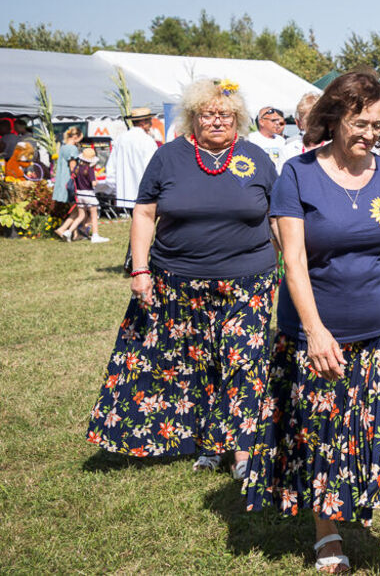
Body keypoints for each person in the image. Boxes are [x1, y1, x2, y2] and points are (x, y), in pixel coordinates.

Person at [243, 73, 380, 576]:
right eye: (361, 123)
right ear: (334, 118)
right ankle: (328, 533)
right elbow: (292, 260)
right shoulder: (297, 174)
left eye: (378, 124)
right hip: (320, 335)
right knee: (325, 433)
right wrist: (314, 330)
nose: (371, 134)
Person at [86, 79, 278, 479]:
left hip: (249, 281)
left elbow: (277, 219)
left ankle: (243, 451)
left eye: (225, 114)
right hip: (179, 281)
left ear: (238, 118)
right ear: (193, 117)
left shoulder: (257, 157)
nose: (217, 121)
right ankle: (208, 444)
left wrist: (294, 267)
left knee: (244, 361)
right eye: (207, 114)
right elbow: (143, 213)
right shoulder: (168, 157)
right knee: (197, 364)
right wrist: (139, 270)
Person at [106, 107, 159, 210]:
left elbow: (111, 168)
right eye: (149, 121)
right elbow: (154, 168)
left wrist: (116, 189)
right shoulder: (147, 140)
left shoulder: (120, 139)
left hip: (126, 194)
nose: (151, 124)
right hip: (145, 195)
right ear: (143, 123)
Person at [282, 91, 323, 163]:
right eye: (308, 118)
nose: (314, 122)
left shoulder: (335, 147)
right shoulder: (289, 150)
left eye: (318, 117)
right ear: (300, 122)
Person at [249, 106, 288, 170]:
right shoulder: (251, 139)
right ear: (261, 122)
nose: (277, 123)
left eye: (278, 120)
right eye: (273, 120)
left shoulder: (281, 140)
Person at [52, 126, 82, 205]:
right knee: (79, 211)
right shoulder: (73, 149)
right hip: (69, 182)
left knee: (73, 210)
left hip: (61, 181)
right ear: (75, 137)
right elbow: (73, 167)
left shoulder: (63, 147)